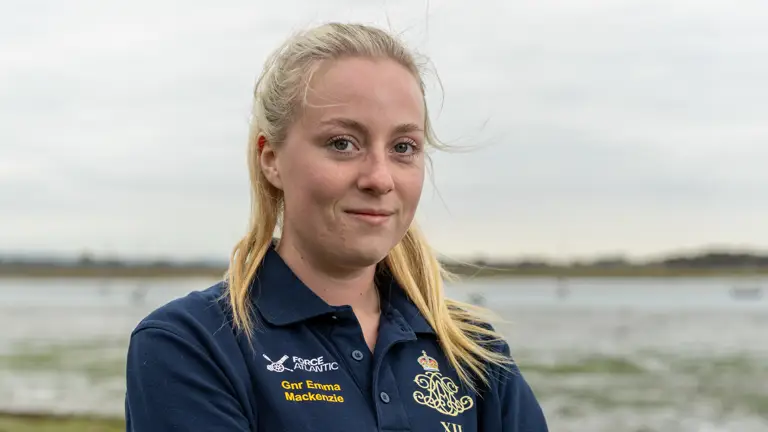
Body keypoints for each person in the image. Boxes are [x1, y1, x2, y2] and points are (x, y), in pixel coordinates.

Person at [124, 22, 548, 431]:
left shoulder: (471, 349)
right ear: (270, 158)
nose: (379, 179)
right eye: (342, 143)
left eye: (403, 147)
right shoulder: (192, 345)